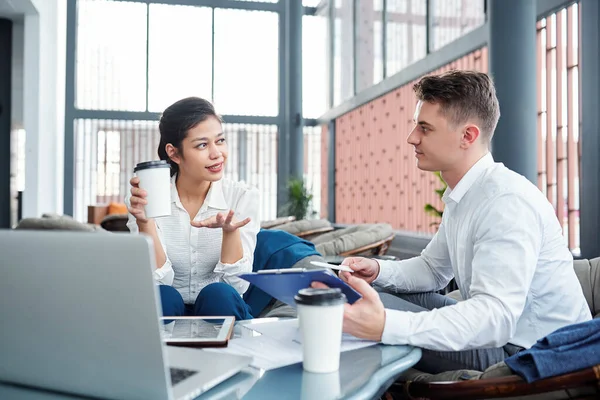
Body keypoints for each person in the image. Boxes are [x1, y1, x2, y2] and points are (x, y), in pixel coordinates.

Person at [313, 70, 591, 373]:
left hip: (532, 353)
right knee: (362, 294)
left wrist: (385, 325)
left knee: (347, 312)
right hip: (503, 335)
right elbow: (433, 270)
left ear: (467, 136)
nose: (411, 138)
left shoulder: (505, 202)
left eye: (425, 128)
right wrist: (378, 270)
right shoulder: (467, 193)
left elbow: (495, 318)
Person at [126, 97, 260, 320]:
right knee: (163, 297)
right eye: (202, 145)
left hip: (223, 309)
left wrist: (230, 232)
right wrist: (144, 221)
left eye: (220, 140)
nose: (217, 153)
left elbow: (237, 287)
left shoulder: (242, 197)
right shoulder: (146, 199)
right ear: (174, 153)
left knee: (219, 294)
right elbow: (156, 282)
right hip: (168, 311)